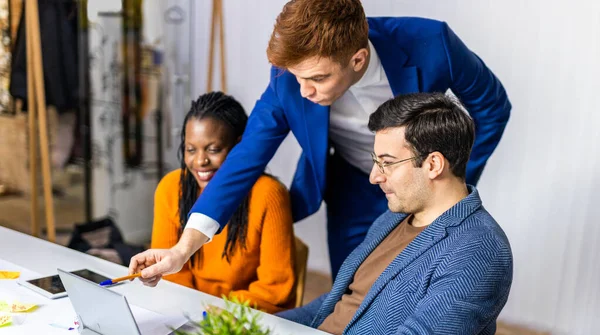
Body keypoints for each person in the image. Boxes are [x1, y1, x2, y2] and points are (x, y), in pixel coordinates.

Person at [129, 0, 511, 286]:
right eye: (296, 77)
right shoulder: (288, 80)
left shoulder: (432, 42)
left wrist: (449, 185)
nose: (303, 90)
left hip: (424, 184)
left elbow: (492, 107)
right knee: (352, 290)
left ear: (358, 59)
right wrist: (184, 248)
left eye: (317, 78)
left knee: (420, 289)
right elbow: (243, 160)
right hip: (353, 187)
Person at [274, 93, 513, 335]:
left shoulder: (479, 250)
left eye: (386, 163)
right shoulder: (393, 218)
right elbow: (340, 302)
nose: (374, 176)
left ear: (433, 164)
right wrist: (258, 329)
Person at [146, 92, 297, 314]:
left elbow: (274, 289)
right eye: (191, 149)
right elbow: (172, 273)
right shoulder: (171, 188)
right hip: (187, 312)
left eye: (213, 149)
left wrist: (215, 311)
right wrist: (195, 310)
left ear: (240, 148)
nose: (200, 161)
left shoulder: (269, 194)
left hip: (244, 319)